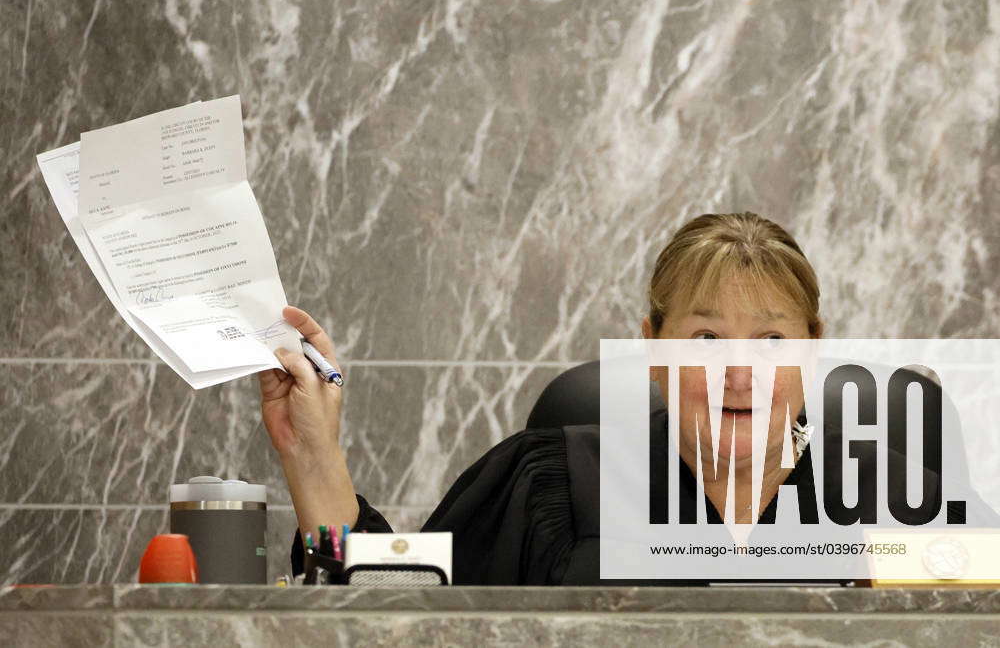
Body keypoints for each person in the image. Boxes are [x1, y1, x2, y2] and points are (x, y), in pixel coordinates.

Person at [258, 212, 840, 584]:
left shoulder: (892, 500)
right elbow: (395, 615)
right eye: (707, 340)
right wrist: (314, 459)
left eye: (771, 340)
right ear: (654, 350)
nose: (739, 374)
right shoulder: (549, 485)